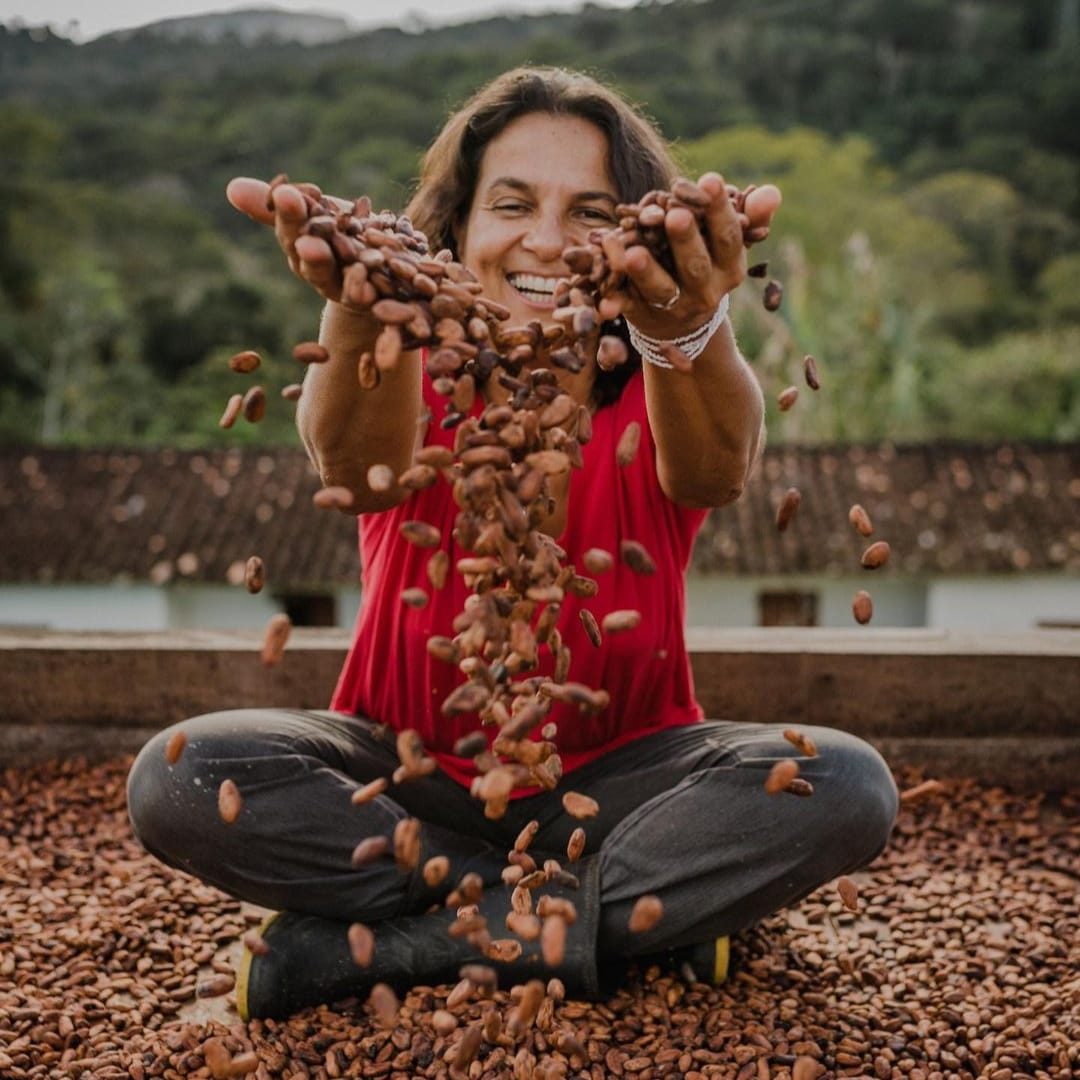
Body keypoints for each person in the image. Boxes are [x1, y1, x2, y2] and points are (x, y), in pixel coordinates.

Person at [127, 66, 898, 1021]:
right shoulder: (409, 373)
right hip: (402, 789)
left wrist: (686, 324)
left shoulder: (660, 387)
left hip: (627, 787)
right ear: (454, 232)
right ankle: (627, 923)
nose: (545, 240)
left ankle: (392, 946)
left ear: (637, 237)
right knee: (179, 778)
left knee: (848, 785)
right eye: (512, 204)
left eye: (590, 211)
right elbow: (355, 465)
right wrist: (362, 292)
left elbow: (716, 471)